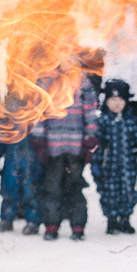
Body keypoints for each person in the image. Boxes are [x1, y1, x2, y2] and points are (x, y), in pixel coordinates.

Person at [34, 67, 99, 240]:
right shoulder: (47, 82)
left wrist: (90, 138)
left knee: (75, 187)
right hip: (53, 146)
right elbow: (39, 113)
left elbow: (91, 113)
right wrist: (39, 141)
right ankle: (51, 225)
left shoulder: (83, 84)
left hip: (76, 147)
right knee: (52, 188)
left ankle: (77, 226)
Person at [92, 79, 137, 234]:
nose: (116, 104)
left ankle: (125, 218)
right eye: (112, 99)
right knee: (108, 193)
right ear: (106, 101)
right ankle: (111, 220)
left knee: (128, 191)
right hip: (108, 165)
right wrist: (96, 164)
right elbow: (97, 145)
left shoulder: (131, 121)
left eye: (120, 100)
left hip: (128, 165)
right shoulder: (103, 121)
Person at [0, 126, 41, 234]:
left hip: (30, 159)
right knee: (9, 190)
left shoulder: (34, 119)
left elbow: (40, 141)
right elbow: (1, 139)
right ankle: (6, 218)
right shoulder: (8, 120)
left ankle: (32, 221)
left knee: (30, 192)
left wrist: (41, 161)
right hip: (11, 158)